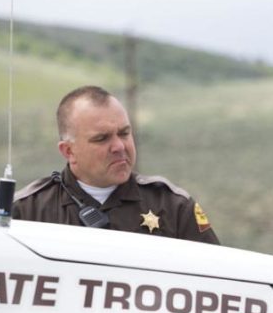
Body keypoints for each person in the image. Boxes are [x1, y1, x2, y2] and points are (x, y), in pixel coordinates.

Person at [13, 85, 219, 244]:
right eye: (102, 139)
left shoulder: (172, 207)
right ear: (69, 151)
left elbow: (216, 276)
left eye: (124, 133)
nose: (119, 146)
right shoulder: (27, 212)